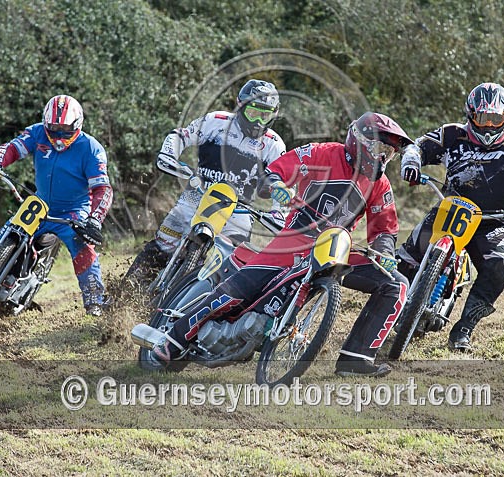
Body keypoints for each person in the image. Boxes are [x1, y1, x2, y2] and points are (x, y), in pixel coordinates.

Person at [143, 112, 413, 377]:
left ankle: (357, 358)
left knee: (395, 283)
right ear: (359, 140)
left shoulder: (380, 185)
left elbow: (384, 230)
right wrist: (277, 186)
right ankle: (173, 337)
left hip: (335, 248)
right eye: (379, 148)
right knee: (239, 289)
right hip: (294, 239)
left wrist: (385, 253)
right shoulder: (323, 153)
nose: (382, 157)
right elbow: (277, 170)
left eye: (388, 153)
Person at [397, 82, 504, 351]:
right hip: (451, 210)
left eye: (495, 119)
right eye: (483, 118)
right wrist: (411, 163)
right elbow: (417, 146)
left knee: (500, 267)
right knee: (406, 258)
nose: (489, 126)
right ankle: (393, 308)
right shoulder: (451, 135)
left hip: (493, 221)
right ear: (470, 115)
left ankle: (464, 328)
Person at [0, 94, 113, 316]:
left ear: (78, 125)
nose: (59, 137)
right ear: (45, 125)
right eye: (53, 130)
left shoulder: (91, 148)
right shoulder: (37, 133)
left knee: (83, 248)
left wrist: (94, 220)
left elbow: (103, 189)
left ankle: (95, 301)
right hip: (39, 205)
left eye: (65, 131)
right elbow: (13, 148)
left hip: (74, 211)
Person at [127, 79, 286, 281]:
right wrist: (169, 154)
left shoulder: (274, 144)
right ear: (240, 105)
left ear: (274, 114)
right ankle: (124, 291)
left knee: (232, 266)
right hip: (196, 196)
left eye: (265, 115)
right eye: (253, 112)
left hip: (239, 211)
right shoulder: (216, 121)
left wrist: (277, 210)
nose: (257, 122)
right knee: (163, 244)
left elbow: (281, 178)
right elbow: (182, 136)